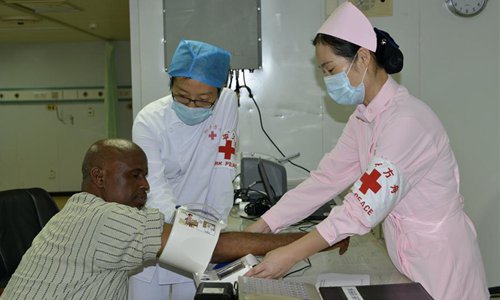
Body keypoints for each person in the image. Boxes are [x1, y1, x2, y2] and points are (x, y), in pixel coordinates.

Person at [245, 3, 489, 300]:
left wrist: (290, 254)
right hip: (406, 259)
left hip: (441, 263)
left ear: (362, 58)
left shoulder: (408, 122)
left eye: (331, 70)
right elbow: (325, 179)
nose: (328, 83)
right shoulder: (364, 119)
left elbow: (361, 208)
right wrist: (264, 225)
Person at [0, 139, 323, 300]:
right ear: (98, 177)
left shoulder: (79, 210)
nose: (146, 185)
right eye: (134, 175)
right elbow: (215, 246)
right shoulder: (107, 218)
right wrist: (316, 239)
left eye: (146, 175)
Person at [129, 39, 238, 299]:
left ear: (219, 92)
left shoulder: (226, 105)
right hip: (157, 231)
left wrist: (215, 232)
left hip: (202, 234)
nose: (191, 106)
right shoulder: (149, 120)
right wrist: (191, 231)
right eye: (182, 96)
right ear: (171, 86)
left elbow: (223, 170)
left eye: (203, 100)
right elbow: (153, 187)